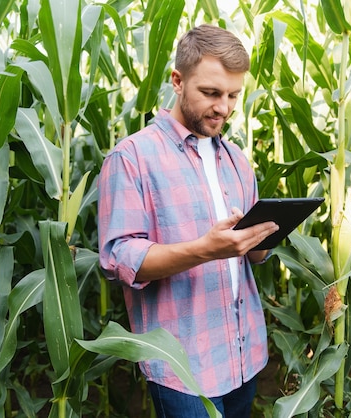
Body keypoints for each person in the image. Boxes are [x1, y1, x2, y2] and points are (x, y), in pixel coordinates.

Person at [97, 24, 279, 417]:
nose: (224, 108)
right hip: (184, 366)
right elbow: (119, 259)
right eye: (211, 93)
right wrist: (204, 250)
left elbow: (254, 259)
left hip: (244, 354)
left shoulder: (236, 160)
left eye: (233, 95)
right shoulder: (132, 158)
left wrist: (261, 240)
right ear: (177, 81)